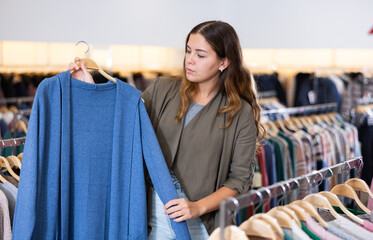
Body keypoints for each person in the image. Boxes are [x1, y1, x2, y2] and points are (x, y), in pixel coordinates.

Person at [69, 20, 265, 239]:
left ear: (224, 62)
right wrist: (89, 87)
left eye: (200, 55)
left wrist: (197, 207)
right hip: (151, 212)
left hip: (201, 222)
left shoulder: (240, 113)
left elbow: (239, 181)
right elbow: (121, 122)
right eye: (188, 51)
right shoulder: (162, 90)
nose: (189, 60)